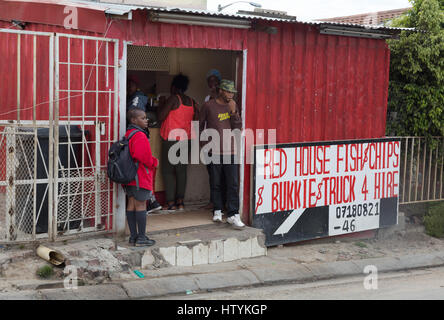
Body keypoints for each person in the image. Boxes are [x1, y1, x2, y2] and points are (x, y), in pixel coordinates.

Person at [199, 79, 245, 229]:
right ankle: (217, 210)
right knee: (216, 182)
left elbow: (237, 128)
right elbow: (200, 126)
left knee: (232, 183)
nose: (231, 94)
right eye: (228, 91)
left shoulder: (233, 105)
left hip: (230, 150)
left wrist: (233, 112)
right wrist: (203, 146)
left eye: (232, 92)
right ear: (221, 91)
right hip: (213, 150)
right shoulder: (208, 106)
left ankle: (233, 214)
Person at [158, 74, 199, 211]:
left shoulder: (173, 99)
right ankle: (180, 202)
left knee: (168, 171)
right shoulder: (192, 101)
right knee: (181, 171)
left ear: (174, 87)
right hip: (186, 139)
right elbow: (196, 120)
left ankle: (170, 202)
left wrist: (162, 103)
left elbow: (160, 116)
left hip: (171, 139)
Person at [127, 76, 162, 214]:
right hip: (135, 138)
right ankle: (150, 201)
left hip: (137, 137)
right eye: (128, 83)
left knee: (145, 170)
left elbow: (134, 113)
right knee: (143, 171)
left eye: (132, 84)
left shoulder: (138, 97)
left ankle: (150, 201)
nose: (129, 86)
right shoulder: (133, 96)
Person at [124, 108, 159, 246]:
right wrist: (154, 162)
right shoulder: (140, 135)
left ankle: (133, 237)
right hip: (140, 176)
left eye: (146, 118)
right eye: (143, 118)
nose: (146, 120)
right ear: (134, 120)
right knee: (140, 205)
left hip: (130, 176)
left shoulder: (128, 133)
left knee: (131, 204)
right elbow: (143, 157)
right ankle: (142, 238)